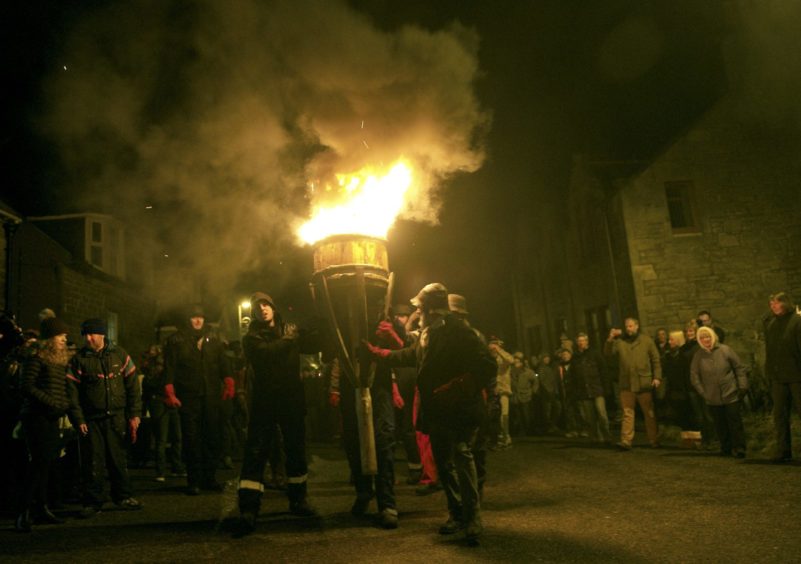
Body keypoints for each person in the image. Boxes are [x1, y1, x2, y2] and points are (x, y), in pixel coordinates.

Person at [366, 282, 496, 545]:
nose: (418, 311)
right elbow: (410, 355)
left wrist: (458, 387)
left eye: (421, 307)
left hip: (459, 410)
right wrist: (380, 354)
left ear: (431, 309)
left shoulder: (459, 331)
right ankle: (456, 514)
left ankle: (473, 519)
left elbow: (487, 366)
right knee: (445, 466)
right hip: (437, 412)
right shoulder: (427, 333)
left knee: (462, 457)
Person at [236, 292, 318, 536]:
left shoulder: (289, 330)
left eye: (266, 304)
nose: (262, 309)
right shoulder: (251, 338)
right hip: (265, 402)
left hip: (291, 399)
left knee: (295, 450)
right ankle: (249, 509)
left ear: (273, 306)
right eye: (258, 306)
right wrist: (290, 339)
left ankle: (298, 500)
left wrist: (316, 322)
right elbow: (267, 353)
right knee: (256, 452)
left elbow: (314, 344)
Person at [66, 318, 142, 516]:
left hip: (117, 417)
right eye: (85, 335)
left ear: (102, 334)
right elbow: (72, 394)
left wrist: (134, 414)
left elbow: (133, 387)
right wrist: (79, 419)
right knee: (93, 461)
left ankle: (123, 496)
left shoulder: (120, 355)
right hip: (91, 420)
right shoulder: (78, 360)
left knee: (118, 459)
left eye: (92, 334)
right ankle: (92, 502)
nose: (88, 338)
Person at [339, 318, 403, 529]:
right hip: (350, 384)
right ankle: (363, 491)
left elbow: (406, 353)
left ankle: (387, 503)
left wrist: (392, 336)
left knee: (384, 440)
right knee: (353, 440)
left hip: (380, 387)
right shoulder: (339, 316)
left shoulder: (386, 318)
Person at [163, 305, 234, 495]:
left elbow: (222, 362)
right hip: (189, 396)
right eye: (194, 317)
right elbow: (169, 367)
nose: (197, 321)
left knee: (211, 437)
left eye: (200, 318)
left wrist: (228, 381)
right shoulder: (176, 340)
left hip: (210, 396)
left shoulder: (213, 339)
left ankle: (209, 478)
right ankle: (193, 480)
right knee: (192, 439)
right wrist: (169, 390)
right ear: (189, 319)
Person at [15, 317, 71, 532]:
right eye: (61, 336)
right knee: (38, 463)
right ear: (51, 338)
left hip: (51, 417)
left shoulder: (57, 359)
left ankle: (41, 507)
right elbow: (27, 386)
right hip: (36, 416)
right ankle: (24, 511)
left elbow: (60, 387)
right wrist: (52, 403)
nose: (64, 340)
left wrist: (63, 405)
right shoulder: (36, 357)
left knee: (47, 463)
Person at [690, 327, 748, 458]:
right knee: (720, 423)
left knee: (735, 422)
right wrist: (703, 392)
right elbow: (694, 376)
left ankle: (739, 447)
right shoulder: (698, 355)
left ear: (713, 336)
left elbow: (739, 368)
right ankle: (726, 447)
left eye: (708, 336)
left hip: (730, 393)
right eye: (702, 337)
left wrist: (742, 386)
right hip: (712, 396)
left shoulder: (725, 350)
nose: (706, 340)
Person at [604, 317, 662, 450]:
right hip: (627, 383)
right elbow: (607, 353)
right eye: (627, 326)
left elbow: (656, 360)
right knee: (627, 412)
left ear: (637, 326)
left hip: (644, 383)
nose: (628, 329)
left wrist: (657, 377)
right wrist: (610, 338)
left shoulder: (646, 341)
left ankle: (654, 439)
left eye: (631, 326)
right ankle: (626, 440)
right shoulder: (620, 342)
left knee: (649, 413)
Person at [763, 292, 801, 463]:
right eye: (772, 303)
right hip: (778, 377)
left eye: (777, 303)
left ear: (786, 303)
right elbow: (770, 350)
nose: (774, 306)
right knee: (779, 415)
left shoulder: (797, 322)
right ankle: (783, 449)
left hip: (796, 375)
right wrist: (770, 372)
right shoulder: (772, 324)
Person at [141, 344, 184, 482]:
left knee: (175, 437)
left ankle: (174, 468)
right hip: (160, 402)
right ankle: (161, 470)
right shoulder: (153, 371)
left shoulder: (168, 368)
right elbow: (150, 387)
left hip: (169, 402)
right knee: (163, 438)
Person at [572, 333, 612, 443]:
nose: (581, 343)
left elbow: (603, 371)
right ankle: (595, 437)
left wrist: (606, 388)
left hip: (597, 389)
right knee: (590, 418)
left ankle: (607, 436)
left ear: (587, 341)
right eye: (579, 341)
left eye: (583, 340)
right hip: (584, 391)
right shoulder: (575, 358)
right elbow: (573, 376)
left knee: (602, 414)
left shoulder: (595, 354)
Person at [488, 337, 514, 449]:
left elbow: (510, 360)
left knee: (503, 415)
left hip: (503, 390)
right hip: (491, 391)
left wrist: (499, 350)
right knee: (492, 415)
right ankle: (497, 437)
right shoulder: (488, 359)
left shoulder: (503, 359)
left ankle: (506, 437)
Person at [510, 353, 537, 437]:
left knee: (526, 415)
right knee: (517, 416)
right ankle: (519, 431)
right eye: (515, 362)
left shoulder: (528, 372)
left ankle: (528, 431)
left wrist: (533, 391)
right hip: (515, 397)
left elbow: (535, 381)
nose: (516, 363)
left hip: (526, 396)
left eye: (518, 362)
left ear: (522, 362)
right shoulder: (510, 372)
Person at [536, 353, 562, 434]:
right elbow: (543, 381)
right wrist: (548, 391)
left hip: (553, 392)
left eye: (548, 358)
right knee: (548, 410)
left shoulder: (550, 368)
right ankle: (549, 427)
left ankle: (552, 425)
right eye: (545, 358)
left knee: (556, 408)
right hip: (547, 393)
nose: (547, 360)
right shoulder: (541, 368)